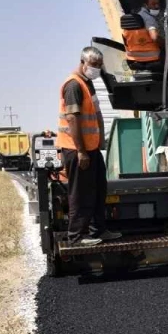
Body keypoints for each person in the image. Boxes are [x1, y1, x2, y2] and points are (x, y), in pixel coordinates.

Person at [57, 48, 122, 246]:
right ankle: (77, 236)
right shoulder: (73, 86)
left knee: (98, 190)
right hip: (77, 150)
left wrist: (99, 141)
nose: (95, 69)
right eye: (92, 65)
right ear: (82, 62)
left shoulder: (88, 83)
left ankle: (98, 230)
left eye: (98, 66)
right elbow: (72, 119)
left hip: (91, 150)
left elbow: (96, 114)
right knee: (80, 193)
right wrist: (81, 152)